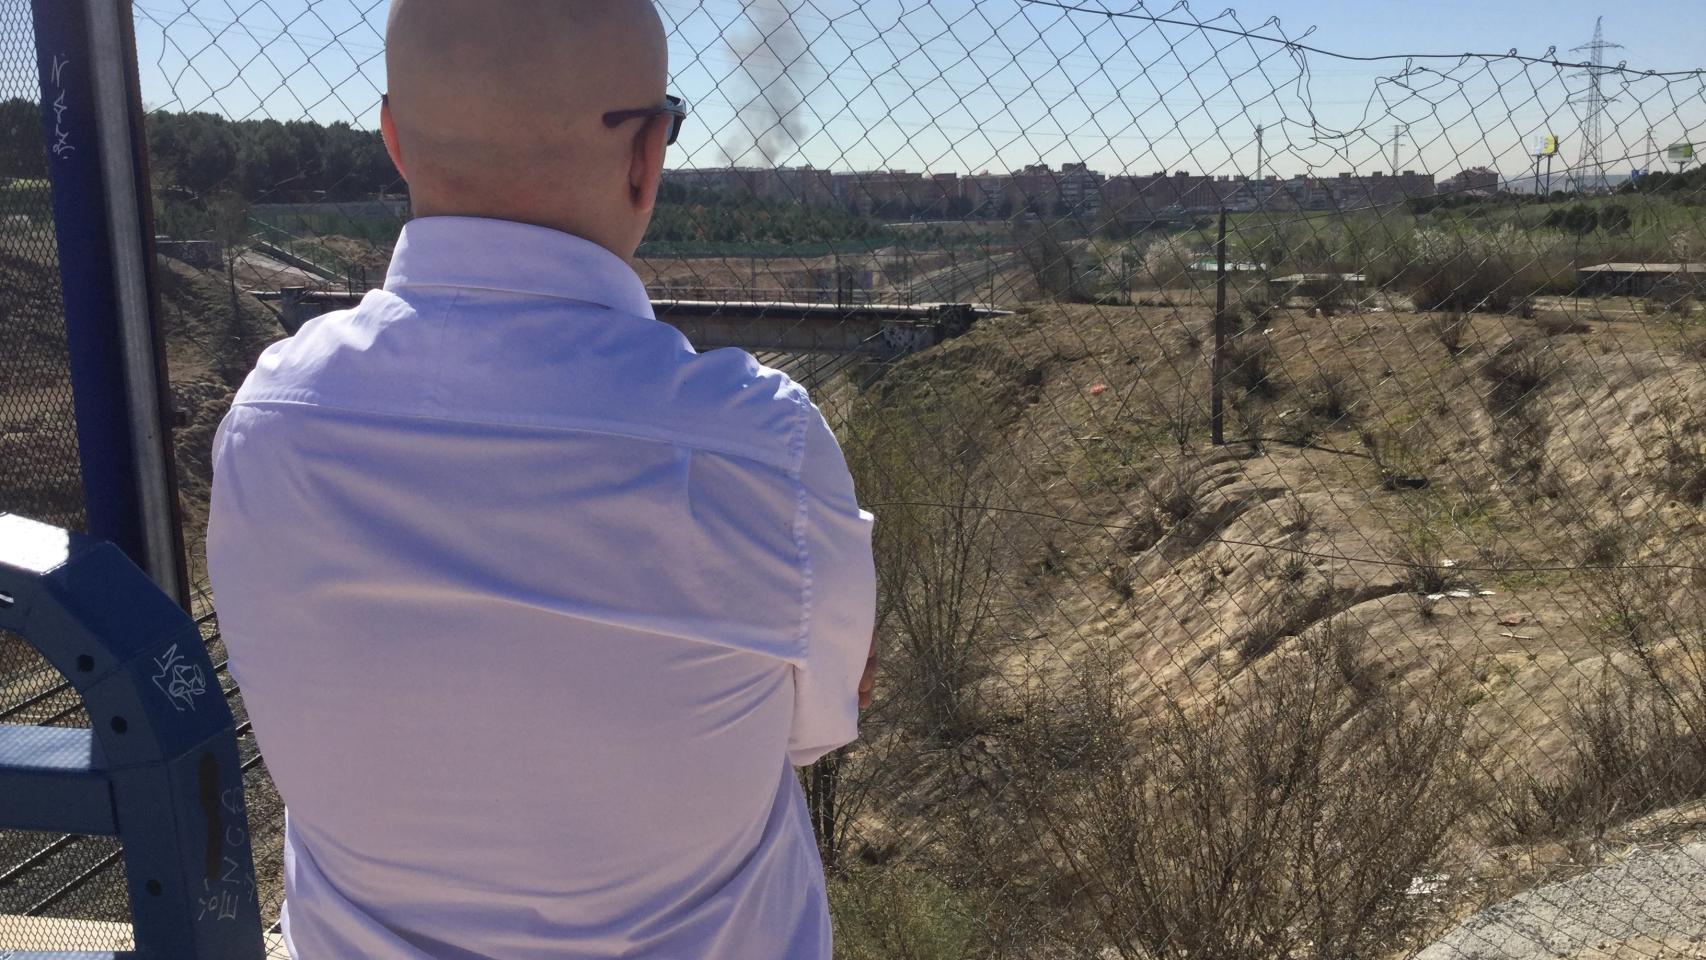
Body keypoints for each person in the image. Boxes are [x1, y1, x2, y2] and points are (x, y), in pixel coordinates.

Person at [206, 2, 877, 957]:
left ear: (394, 140)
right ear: (645, 156)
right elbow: (816, 722)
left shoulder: (268, 424)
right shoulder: (765, 453)